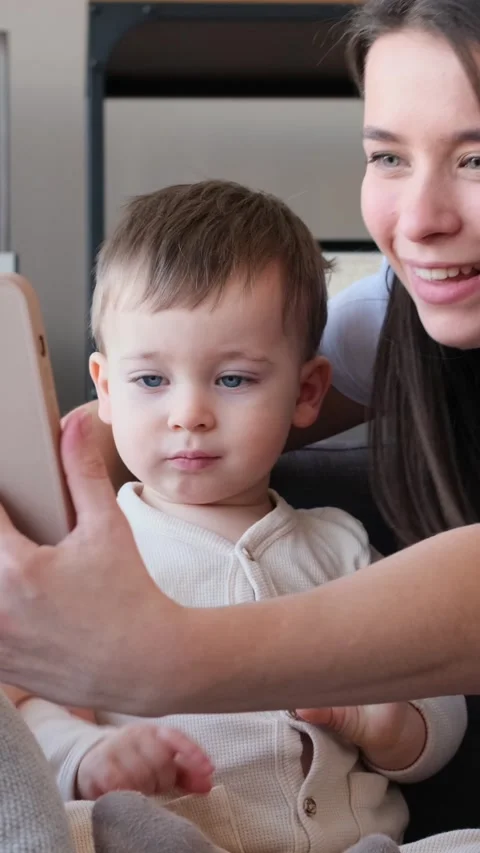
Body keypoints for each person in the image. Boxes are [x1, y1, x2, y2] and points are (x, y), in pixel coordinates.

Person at [2, 0, 480, 747]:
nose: (419, 220)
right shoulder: (408, 309)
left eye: (476, 157)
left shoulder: (334, 546)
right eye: (388, 156)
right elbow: (128, 419)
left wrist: (160, 659)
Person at [19, 181, 466, 852]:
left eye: (233, 379)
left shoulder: (339, 544)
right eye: (151, 380)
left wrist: (381, 720)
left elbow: (442, 707)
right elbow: (30, 710)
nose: (189, 413)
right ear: (105, 388)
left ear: (307, 391)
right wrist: (88, 753)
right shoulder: (95, 548)